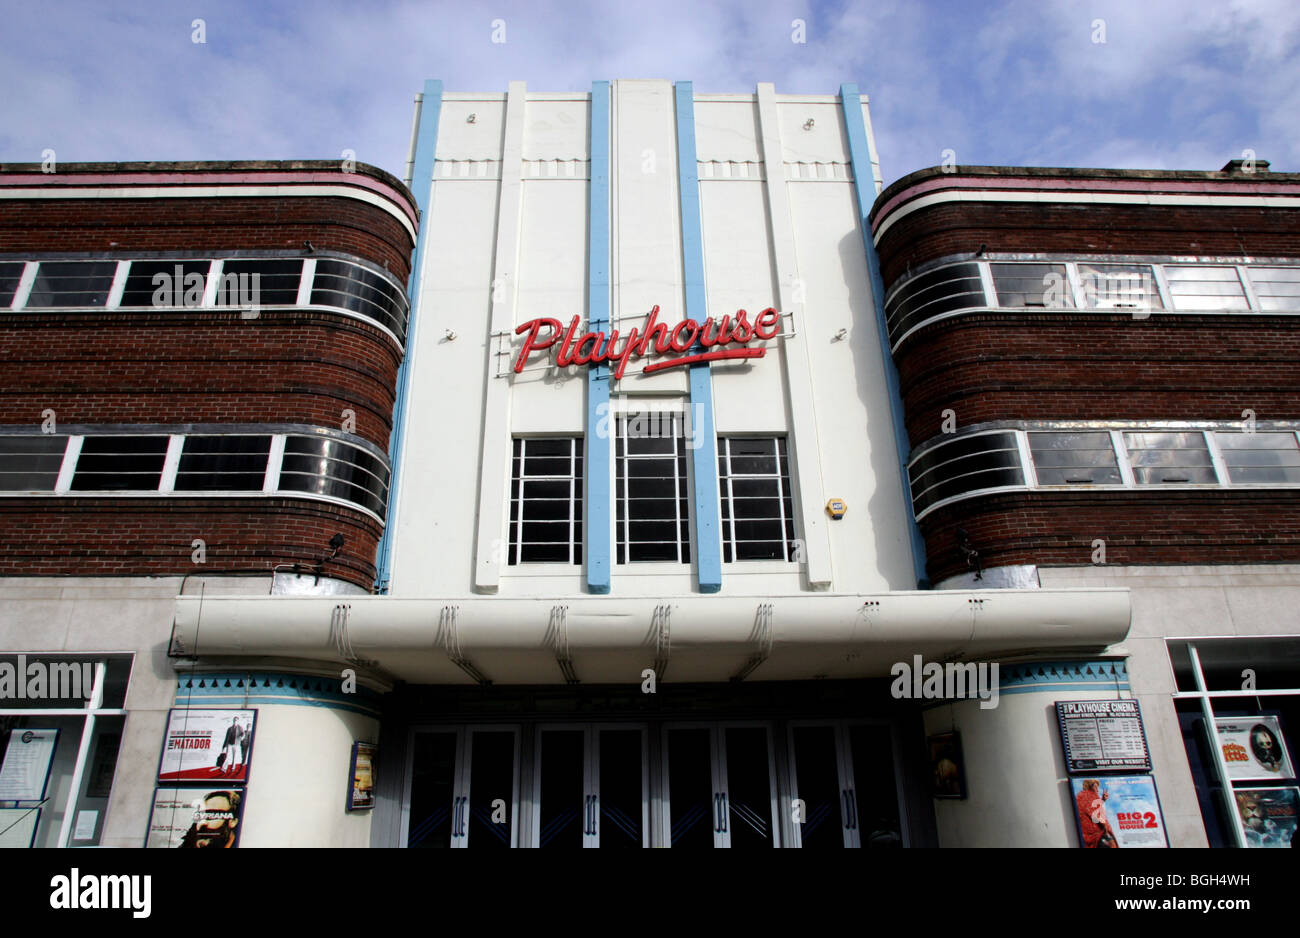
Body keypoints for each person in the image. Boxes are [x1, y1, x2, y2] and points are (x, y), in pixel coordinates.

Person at [1076, 779, 1118, 848]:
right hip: (1096, 834)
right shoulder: (1089, 795)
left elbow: (1091, 808)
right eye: (1095, 786)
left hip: (1086, 834)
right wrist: (1105, 827)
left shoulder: (1081, 795)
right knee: (1112, 845)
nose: (1097, 789)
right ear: (1089, 786)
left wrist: (1102, 800)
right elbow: (1094, 813)